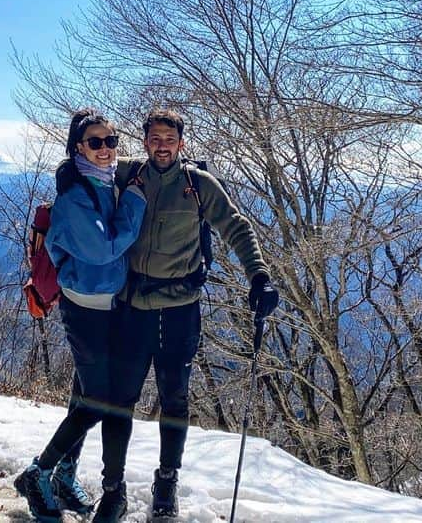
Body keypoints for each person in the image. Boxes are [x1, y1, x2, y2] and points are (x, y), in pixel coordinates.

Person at [98, 108, 279, 523]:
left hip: (179, 311)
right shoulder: (126, 175)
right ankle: (113, 488)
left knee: (174, 398)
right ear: (145, 142)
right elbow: (83, 171)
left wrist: (260, 276)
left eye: (170, 138)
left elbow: (236, 226)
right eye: (155, 138)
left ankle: (167, 481)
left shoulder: (199, 186)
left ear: (181, 143)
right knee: (119, 400)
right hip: (131, 308)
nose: (162, 145)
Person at [14, 109, 147, 523]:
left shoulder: (102, 183)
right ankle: (38, 472)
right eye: (95, 142)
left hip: (105, 305)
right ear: (77, 148)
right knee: (100, 402)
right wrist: (138, 202)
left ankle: (64, 474)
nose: (105, 149)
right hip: (85, 307)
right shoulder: (74, 198)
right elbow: (105, 249)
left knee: (83, 394)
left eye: (111, 141)